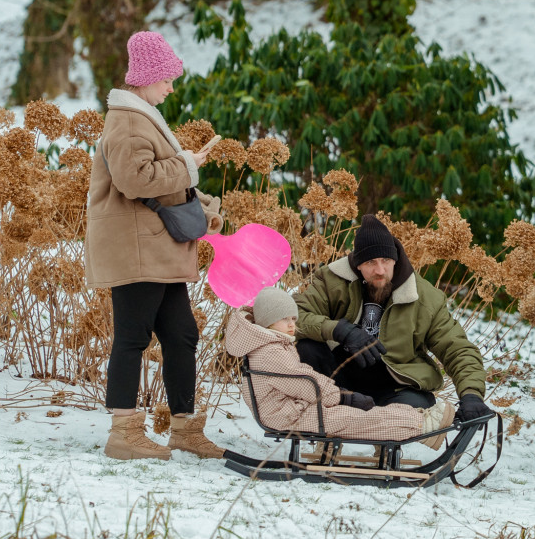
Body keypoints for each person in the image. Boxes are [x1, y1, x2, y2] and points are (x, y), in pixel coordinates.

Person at [86, 31, 225, 461]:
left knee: (182, 334)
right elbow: (136, 180)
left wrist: (202, 207)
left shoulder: (141, 116)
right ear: (146, 77)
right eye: (166, 78)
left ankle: (184, 428)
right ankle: (123, 433)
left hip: (155, 248)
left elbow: (159, 183)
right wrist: (187, 164)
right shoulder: (127, 120)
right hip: (138, 249)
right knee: (132, 336)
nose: (170, 87)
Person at [294, 214, 492, 423]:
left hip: (393, 387)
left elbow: (457, 348)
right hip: (338, 384)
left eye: (386, 261)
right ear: (357, 264)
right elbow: (295, 316)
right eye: (370, 262)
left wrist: (471, 395)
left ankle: (384, 433)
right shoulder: (332, 280)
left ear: (395, 260)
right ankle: (335, 417)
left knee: (419, 403)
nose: (380, 271)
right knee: (307, 347)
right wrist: (340, 330)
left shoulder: (425, 298)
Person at [225, 287, 456, 448]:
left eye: (294, 319)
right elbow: (303, 381)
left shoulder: (269, 345)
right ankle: (421, 425)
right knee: (357, 419)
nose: (292, 325)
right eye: (284, 319)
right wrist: (342, 397)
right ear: (267, 320)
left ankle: (418, 418)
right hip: (287, 416)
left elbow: (302, 380)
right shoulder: (270, 351)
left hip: (293, 410)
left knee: (360, 414)